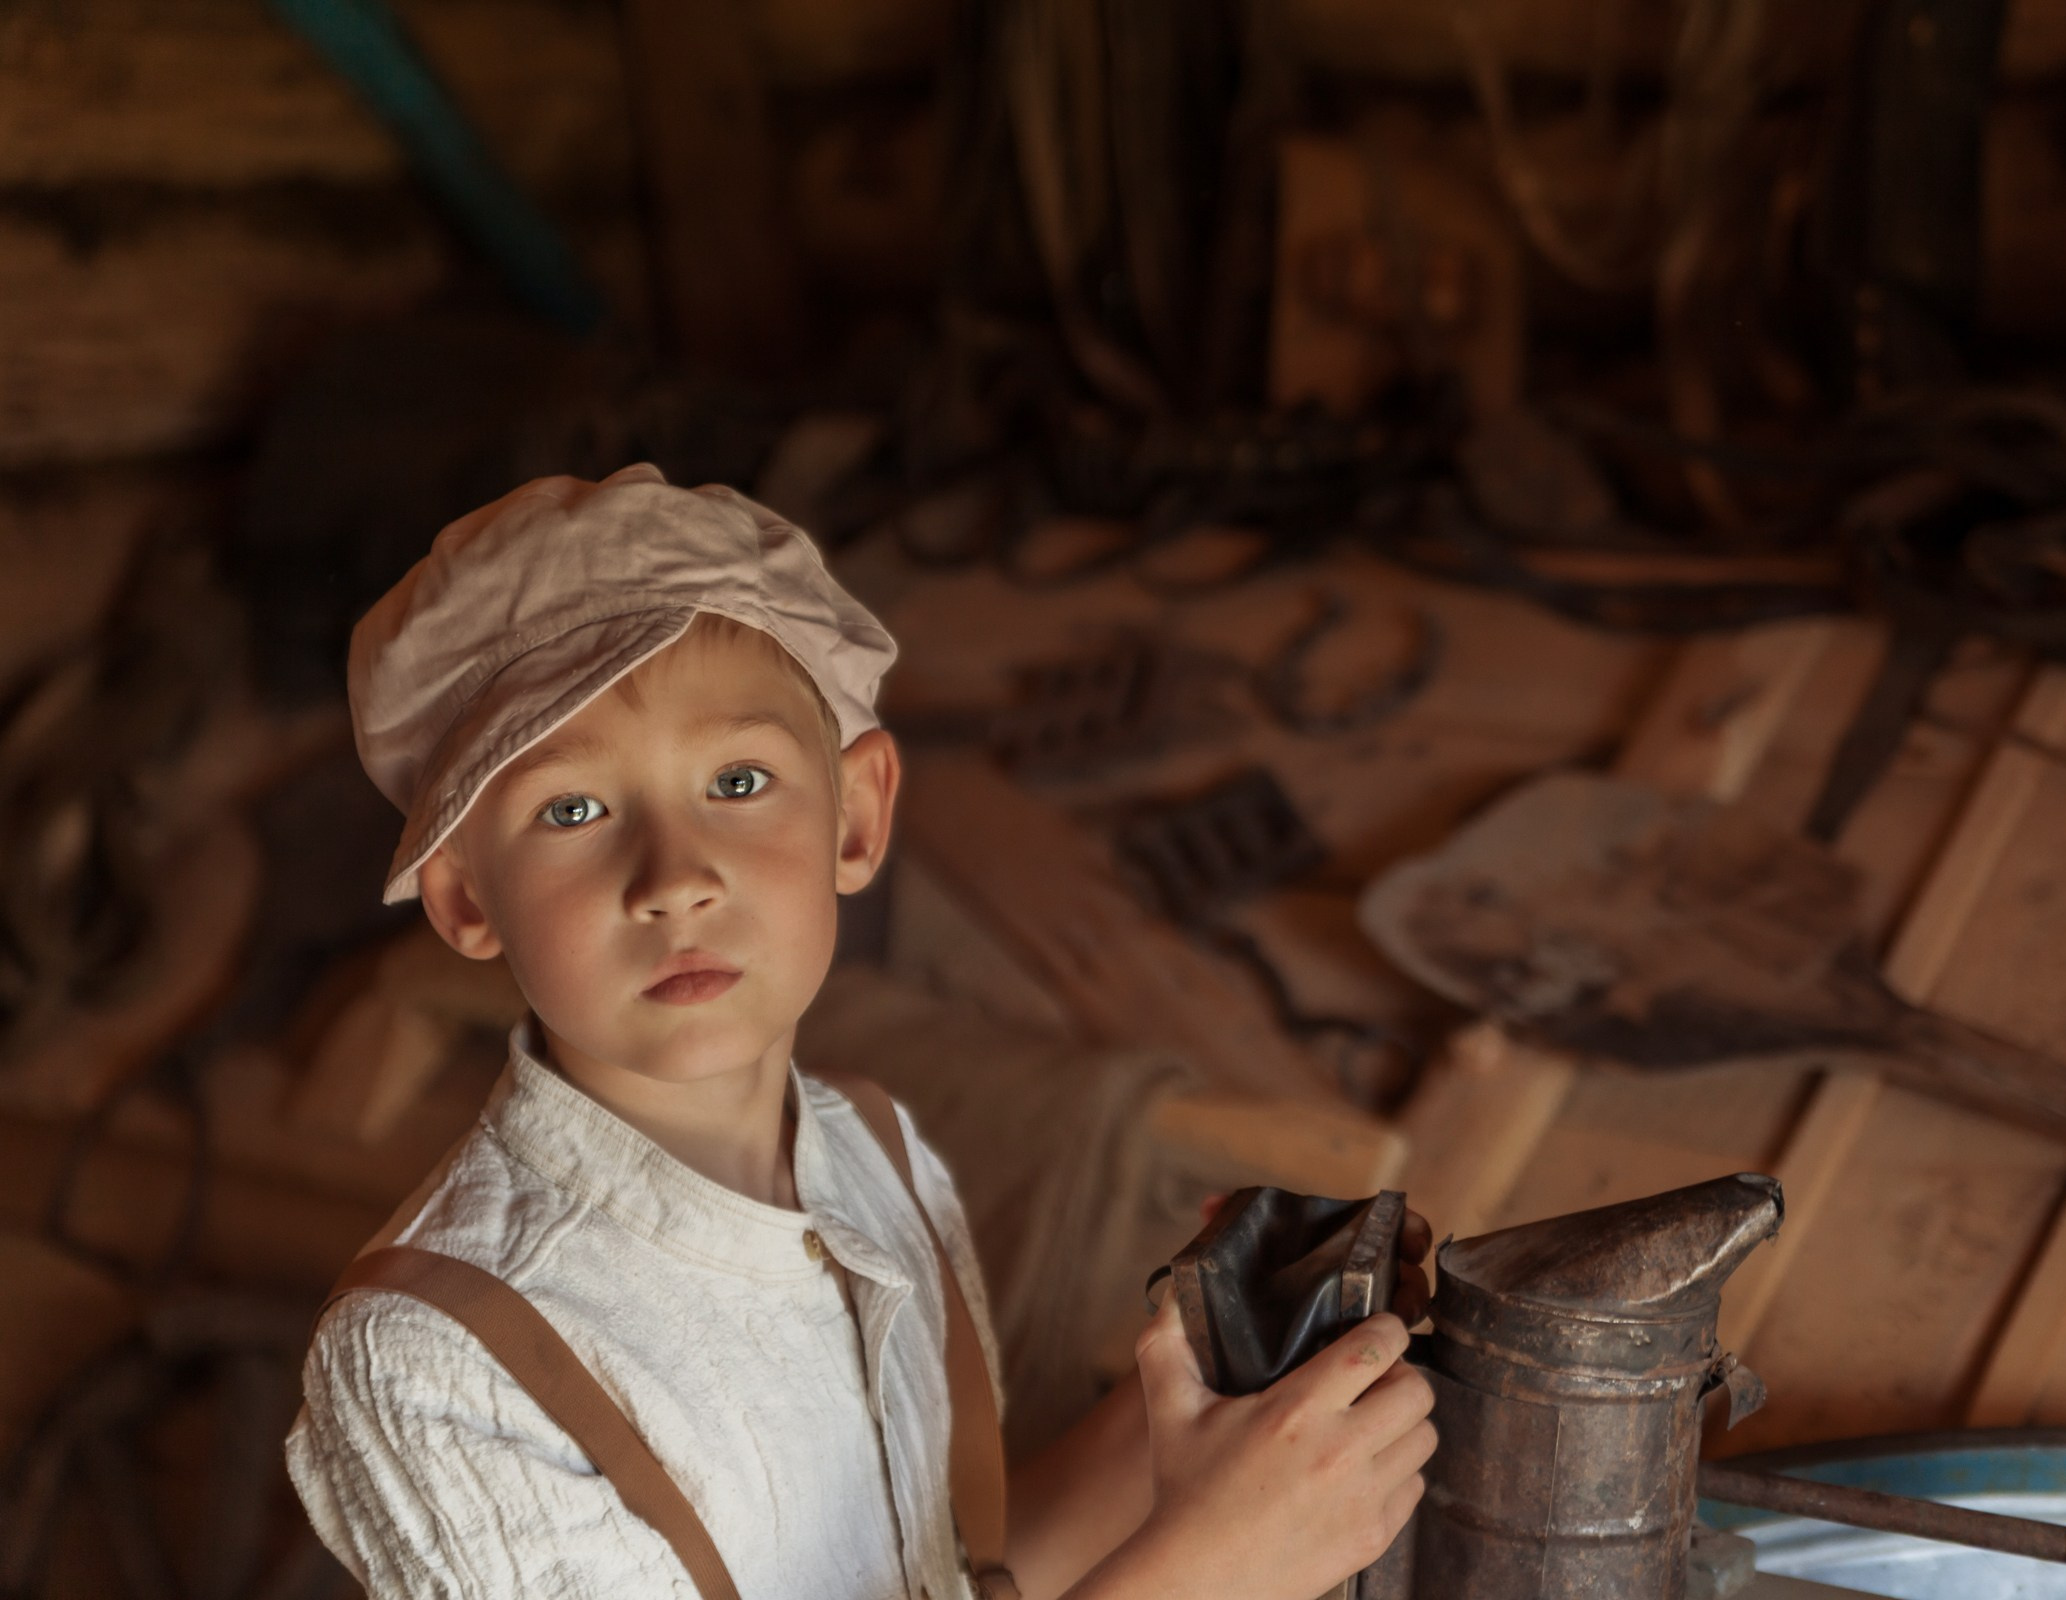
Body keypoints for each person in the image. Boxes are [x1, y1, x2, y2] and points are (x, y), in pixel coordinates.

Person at [284, 464, 1437, 1600]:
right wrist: (1211, 1565)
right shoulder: (435, 1358)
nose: (677, 878)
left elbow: (950, 1576)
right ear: (465, 897)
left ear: (856, 815)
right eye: (573, 808)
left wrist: (1210, 1392)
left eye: (738, 781)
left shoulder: (875, 1152)